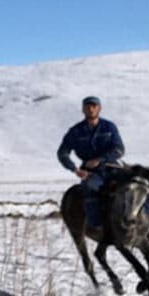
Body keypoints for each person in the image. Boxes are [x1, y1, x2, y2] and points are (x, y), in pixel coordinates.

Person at [57, 95, 125, 235]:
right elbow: (62, 153)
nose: (91, 109)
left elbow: (119, 149)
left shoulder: (109, 127)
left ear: (99, 108)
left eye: (94, 106)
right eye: (88, 106)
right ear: (83, 109)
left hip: (112, 168)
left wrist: (101, 159)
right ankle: (97, 226)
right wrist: (75, 169)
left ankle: (144, 222)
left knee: (137, 185)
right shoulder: (75, 132)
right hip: (90, 172)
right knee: (91, 190)